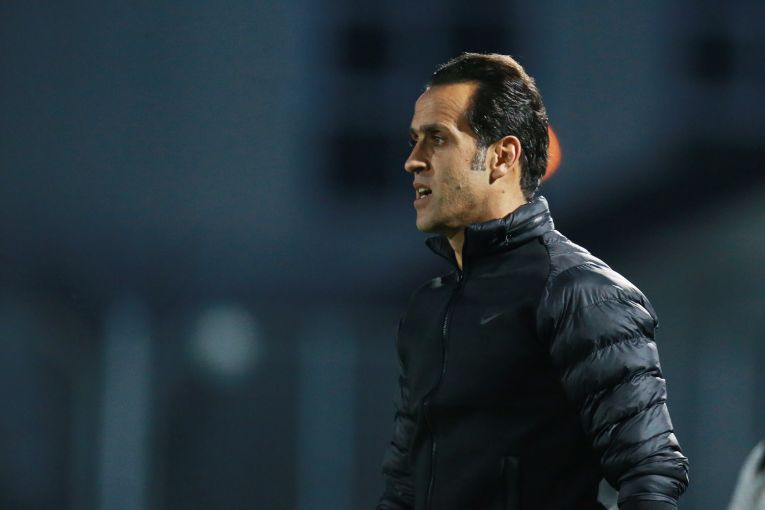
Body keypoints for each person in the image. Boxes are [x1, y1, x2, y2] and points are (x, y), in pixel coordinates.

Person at [375, 53, 689, 510]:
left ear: (502, 156)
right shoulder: (429, 306)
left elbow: (650, 471)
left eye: (437, 139)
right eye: (414, 140)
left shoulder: (580, 293)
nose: (413, 161)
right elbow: (403, 487)